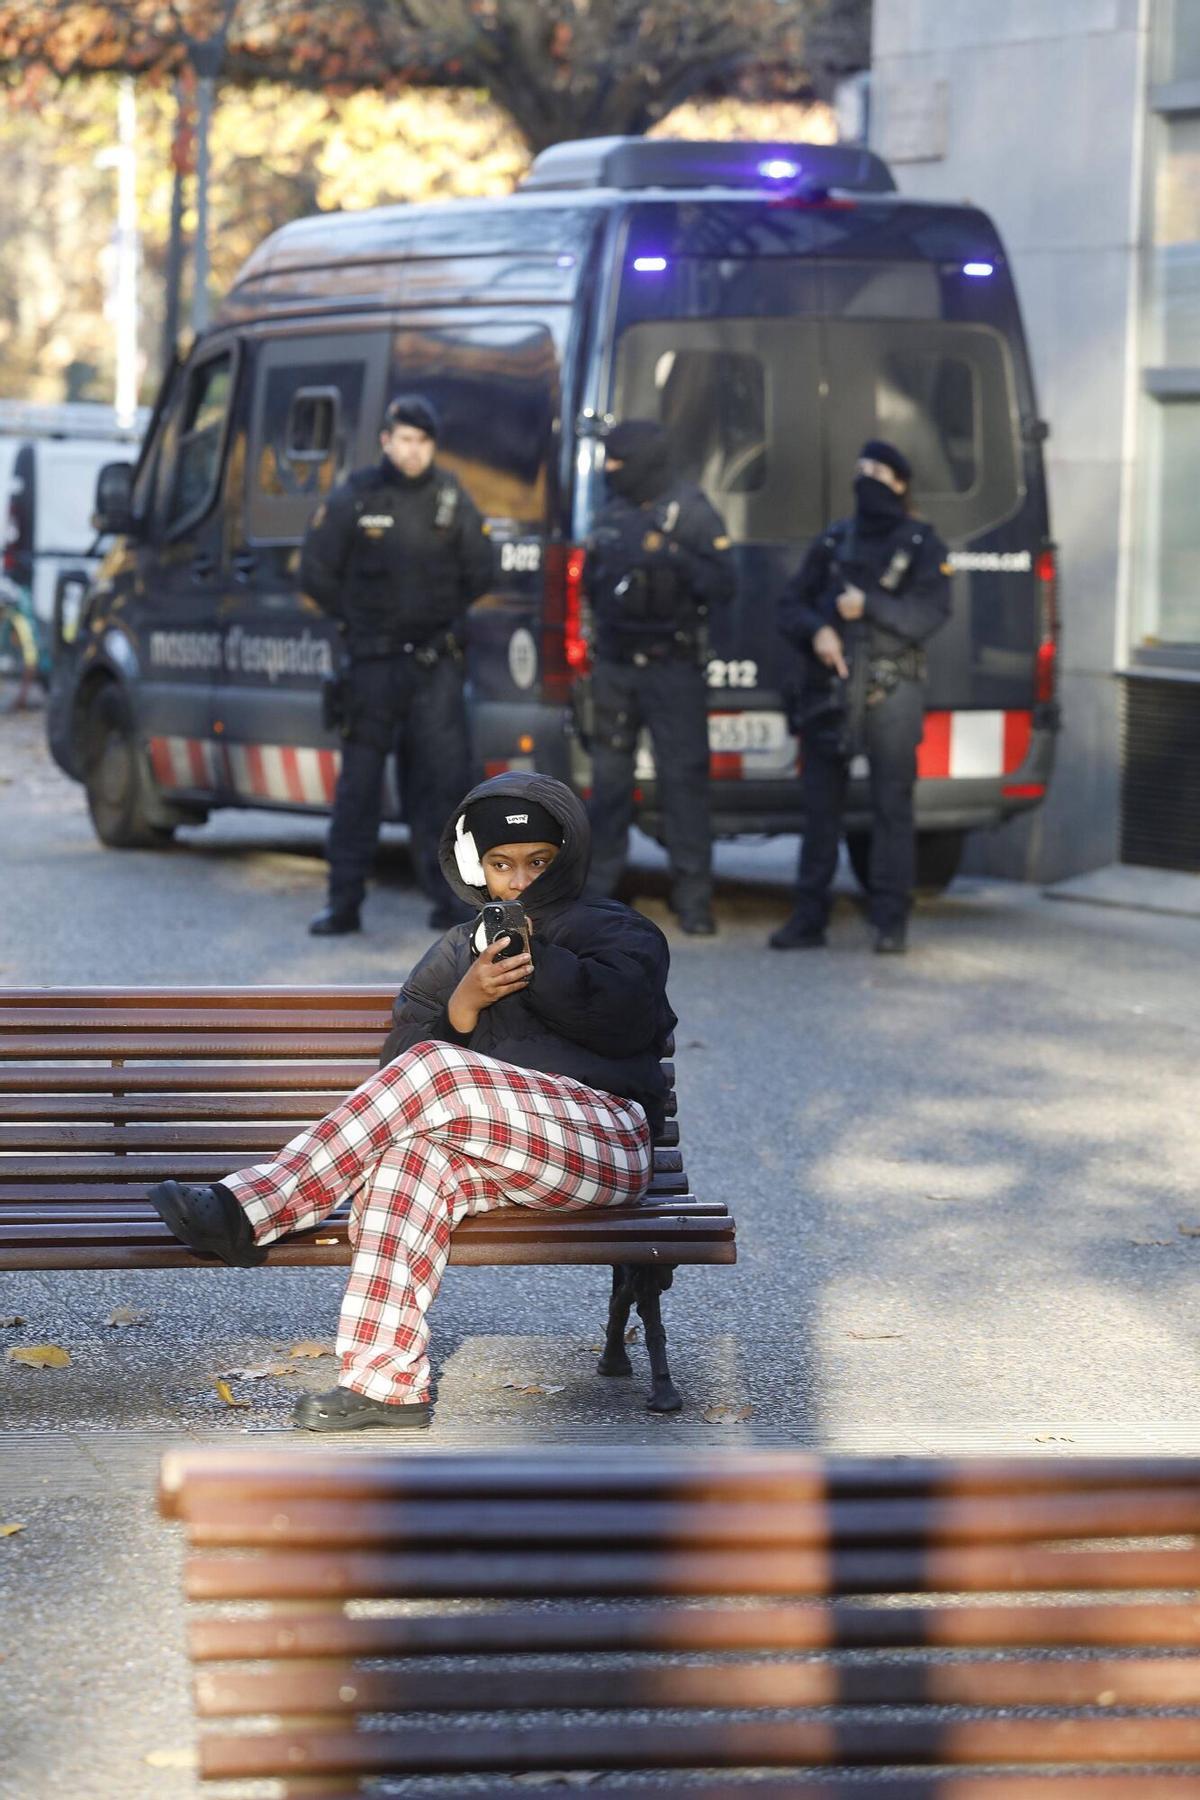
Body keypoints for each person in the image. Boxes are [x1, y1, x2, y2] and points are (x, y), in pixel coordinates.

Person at [145, 774, 675, 1432]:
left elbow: (625, 1017)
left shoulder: (621, 931)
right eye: (502, 865)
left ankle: (255, 1207)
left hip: (605, 1142)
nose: (520, 881)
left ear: (566, 859)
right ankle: (385, 1384)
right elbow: (394, 1076)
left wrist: (539, 962)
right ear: (474, 866)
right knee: (408, 1165)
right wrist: (464, 1005)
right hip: (503, 1154)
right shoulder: (454, 953)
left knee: (436, 1072)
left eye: (539, 862)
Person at [301, 394, 494, 936]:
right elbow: (315, 570)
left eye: (423, 442)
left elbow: (482, 570)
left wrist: (442, 615)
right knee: (359, 787)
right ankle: (344, 902)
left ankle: (452, 901)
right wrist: (357, 620)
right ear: (386, 440)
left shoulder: (451, 498)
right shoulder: (357, 495)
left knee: (443, 786)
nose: (414, 452)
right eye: (405, 440)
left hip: (434, 666)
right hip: (373, 666)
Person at [770, 440, 952, 955]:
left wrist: (867, 605)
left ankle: (891, 921)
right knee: (820, 809)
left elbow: (930, 613)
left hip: (892, 689)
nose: (865, 479)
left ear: (899, 482)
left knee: (892, 809)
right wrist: (817, 633)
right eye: (860, 470)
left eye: (876, 471)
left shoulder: (920, 543)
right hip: (832, 688)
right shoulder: (835, 540)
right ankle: (809, 918)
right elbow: (790, 605)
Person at [583, 419, 736, 935]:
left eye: (619, 461)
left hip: (673, 669)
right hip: (617, 668)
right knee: (608, 787)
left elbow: (724, 583)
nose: (609, 470)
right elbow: (590, 588)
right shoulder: (610, 512)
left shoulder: (689, 511)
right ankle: (596, 903)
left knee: (684, 785)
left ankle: (694, 900)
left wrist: (672, 556)